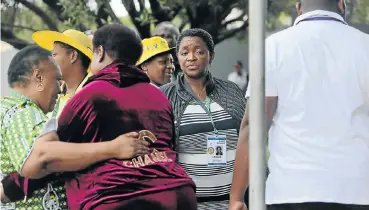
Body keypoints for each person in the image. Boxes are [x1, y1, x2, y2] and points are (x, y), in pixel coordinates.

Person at [23, 24, 196, 210]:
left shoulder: (89, 95)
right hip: (179, 193)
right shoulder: (158, 96)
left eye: (54, 54)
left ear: (100, 52)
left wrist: (11, 188)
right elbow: (169, 148)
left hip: (118, 197)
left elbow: (47, 158)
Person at [230, 0, 369, 210]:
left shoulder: (273, 47)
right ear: (341, 5)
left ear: (299, 8)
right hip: (356, 190)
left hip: (291, 191)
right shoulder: (365, 46)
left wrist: (237, 198)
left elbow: (253, 128)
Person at [0, 45, 150, 209]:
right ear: (39, 77)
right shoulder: (21, 111)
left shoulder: (7, 108)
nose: (60, 89)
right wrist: (114, 148)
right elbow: (42, 157)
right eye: (57, 80)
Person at [160, 28, 247, 209]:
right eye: (184, 53)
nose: (191, 57)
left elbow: (248, 140)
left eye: (199, 52)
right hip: (189, 204)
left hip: (234, 203)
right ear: (177, 58)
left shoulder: (231, 91)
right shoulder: (165, 96)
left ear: (211, 56)